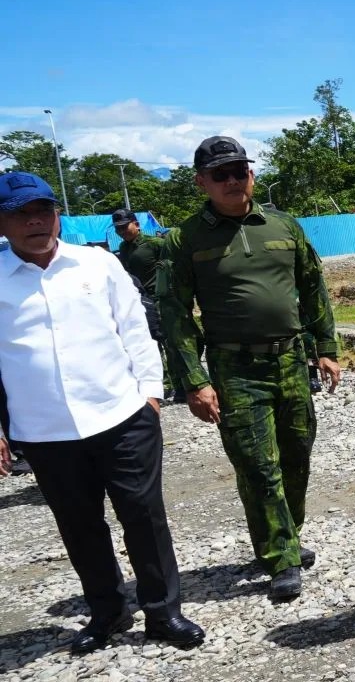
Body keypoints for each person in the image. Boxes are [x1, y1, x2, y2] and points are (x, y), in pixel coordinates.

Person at [0, 171, 204, 654]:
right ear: (1, 224)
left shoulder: (97, 264)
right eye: (20, 215)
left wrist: (150, 396)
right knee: (79, 525)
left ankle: (163, 612)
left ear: (56, 214)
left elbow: (135, 329)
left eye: (43, 210)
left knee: (143, 515)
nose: (35, 222)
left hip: (121, 416)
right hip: (45, 431)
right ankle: (108, 613)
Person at [157, 136, 341, 601]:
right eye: (221, 174)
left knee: (297, 453)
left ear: (251, 174)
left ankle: (287, 536)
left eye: (240, 170)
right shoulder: (185, 239)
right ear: (201, 182)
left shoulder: (283, 226)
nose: (233, 180)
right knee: (259, 465)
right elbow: (175, 313)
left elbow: (313, 287)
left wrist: (326, 347)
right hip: (234, 367)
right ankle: (278, 555)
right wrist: (193, 380)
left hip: (291, 360)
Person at [113, 208, 186, 403]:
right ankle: (160, 386)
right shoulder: (124, 247)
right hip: (139, 302)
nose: (122, 231)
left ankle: (180, 386)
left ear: (136, 224)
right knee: (149, 345)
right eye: (118, 228)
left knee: (170, 343)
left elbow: (175, 264)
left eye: (125, 227)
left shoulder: (155, 244)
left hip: (160, 300)